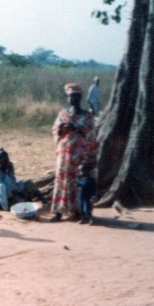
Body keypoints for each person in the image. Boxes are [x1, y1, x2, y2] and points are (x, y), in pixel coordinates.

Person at [50, 83, 97, 222]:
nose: (73, 99)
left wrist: (77, 128)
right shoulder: (63, 114)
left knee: (79, 181)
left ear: (80, 97)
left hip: (80, 154)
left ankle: (80, 212)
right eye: (71, 96)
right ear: (68, 97)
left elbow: (92, 135)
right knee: (61, 179)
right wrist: (62, 128)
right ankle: (59, 211)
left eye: (76, 96)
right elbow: (55, 131)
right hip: (64, 153)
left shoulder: (87, 116)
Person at [0, 148, 48, 212]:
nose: (6, 160)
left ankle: (45, 202)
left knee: (28, 182)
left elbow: (12, 182)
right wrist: (16, 196)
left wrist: (18, 192)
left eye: (6, 157)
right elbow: (1, 191)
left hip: (9, 191)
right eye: (2, 159)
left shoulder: (10, 166)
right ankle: (6, 208)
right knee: (1, 187)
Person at [77, 159, 97, 225]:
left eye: (82, 171)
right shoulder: (81, 179)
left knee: (87, 209)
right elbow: (79, 186)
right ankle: (82, 219)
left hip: (87, 197)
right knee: (81, 208)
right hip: (81, 197)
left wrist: (92, 196)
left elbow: (93, 189)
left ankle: (90, 219)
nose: (81, 172)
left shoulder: (90, 180)